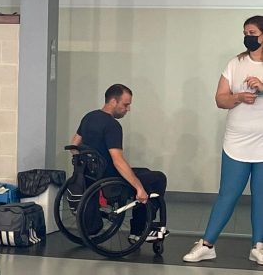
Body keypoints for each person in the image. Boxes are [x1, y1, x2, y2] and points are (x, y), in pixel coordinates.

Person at [183, 15, 263, 264]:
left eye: (251, 32)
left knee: (261, 196)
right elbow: (220, 99)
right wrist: (238, 96)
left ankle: (258, 246)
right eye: (245, 32)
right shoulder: (235, 63)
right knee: (228, 194)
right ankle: (207, 244)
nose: (247, 36)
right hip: (236, 142)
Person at [71, 84, 168, 242]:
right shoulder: (112, 125)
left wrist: (89, 166)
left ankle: (140, 226)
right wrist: (139, 188)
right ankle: (138, 231)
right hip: (110, 180)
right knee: (157, 178)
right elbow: (118, 161)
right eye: (126, 104)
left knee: (145, 171)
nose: (128, 109)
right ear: (113, 102)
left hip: (92, 178)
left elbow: (74, 146)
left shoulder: (89, 117)